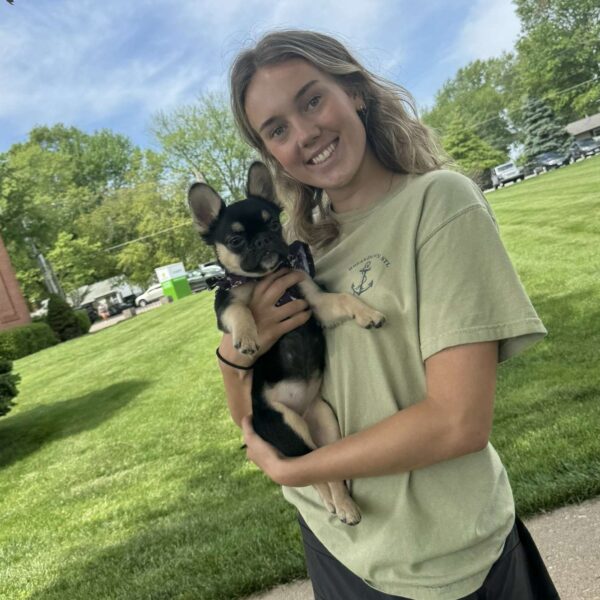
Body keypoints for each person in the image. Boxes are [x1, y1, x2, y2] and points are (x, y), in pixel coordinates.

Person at [216, 30, 560, 600]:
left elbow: (459, 422)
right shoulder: (300, 251)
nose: (305, 135)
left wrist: (297, 470)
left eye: (311, 100)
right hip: (336, 544)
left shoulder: (438, 202)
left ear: (353, 90)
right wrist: (234, 354)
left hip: (443, 562)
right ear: (270, 153)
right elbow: (251, 417)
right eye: (277, 129)